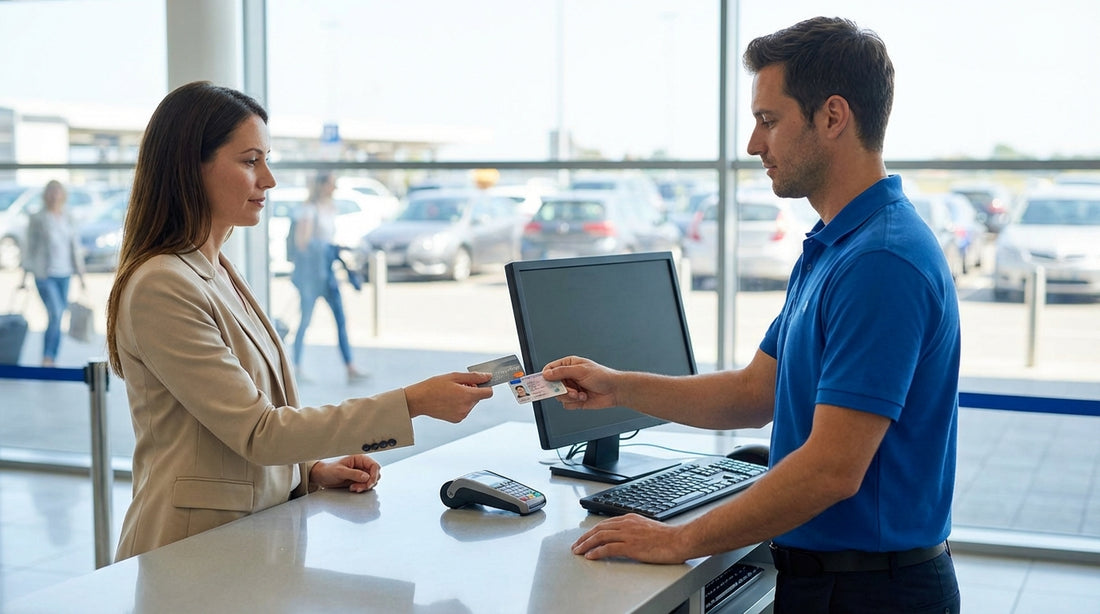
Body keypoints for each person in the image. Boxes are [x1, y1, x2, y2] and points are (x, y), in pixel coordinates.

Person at [543, 17, 961, 613]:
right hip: (830, 580)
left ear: (832, 117)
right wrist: (616, 386)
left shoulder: (881, 261)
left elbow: (831, 470)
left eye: (769, 120)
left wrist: (678, 540)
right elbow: (753, 392)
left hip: (872, 592)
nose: (752, 144)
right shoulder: (836, 246)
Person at [105, 81, 494, 561]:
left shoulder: (216, 269)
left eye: (267, 160)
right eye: (251, 161)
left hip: (246, 543)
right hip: (187, 553)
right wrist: (413, 402)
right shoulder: (163, 284)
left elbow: (233, 429)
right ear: (191, 167)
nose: (268, 180)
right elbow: (259, 431)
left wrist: (308, 471)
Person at [290, 171, 366, 383]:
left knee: (341, 319)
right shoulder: (309, 210)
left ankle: (350, 367)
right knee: (305, 321)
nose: (335, 188)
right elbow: (302, 243)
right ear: (322, 185)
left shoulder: (330, 208)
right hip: (312, 277)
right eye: (332, 183)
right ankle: (295, 367)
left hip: (328, 274)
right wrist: (327, 247)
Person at [21, 179, 87, 366]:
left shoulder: (68, 217)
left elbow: (75, 248)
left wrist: (81, 276)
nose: (54, 195)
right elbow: (30, 248)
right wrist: (24, 277)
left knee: (59, 316)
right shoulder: (37, 218)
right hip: (44, 274)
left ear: (63, 194)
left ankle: (52, 357)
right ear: (45, 195)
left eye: (57, 191)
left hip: (65, 274)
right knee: (56, 313)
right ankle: (48, 356)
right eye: (51, 191)